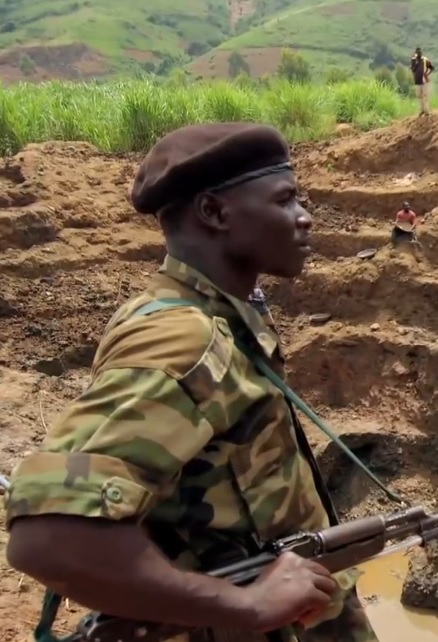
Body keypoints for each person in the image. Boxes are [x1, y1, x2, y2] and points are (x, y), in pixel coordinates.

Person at [3, 123, 377, 642]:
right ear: (215, 213)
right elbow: (49, 537)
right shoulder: (185, 339)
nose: (305, 216)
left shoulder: (217, 314)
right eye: (286, 199)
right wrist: (246, 607)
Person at [410, 47, 434, 115]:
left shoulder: (425, 60)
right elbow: (413, 69)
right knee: (419, 96)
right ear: (416, 53)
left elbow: (432, 68)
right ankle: (421, 110)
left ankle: (426, 110)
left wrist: (428, 73)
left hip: (425, 81)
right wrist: (417, 64)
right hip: (417, 81)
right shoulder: (413, 60)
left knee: (425, 96)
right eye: (418, 53)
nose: (419, 54)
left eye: (420, 52)